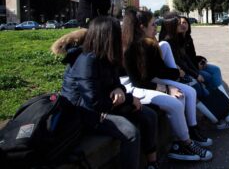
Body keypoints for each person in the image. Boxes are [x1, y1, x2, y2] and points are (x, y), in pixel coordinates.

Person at [59, 16, 160, 169]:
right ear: (107, 35)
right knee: (130, 132)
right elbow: (93, 102)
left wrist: (120, 90)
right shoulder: (86, 60)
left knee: (149, 115)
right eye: (117, 32)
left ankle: (152, 163)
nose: (121, 36)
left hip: (106, 104)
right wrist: (128, 99)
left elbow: (118, 85)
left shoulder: (108, 55)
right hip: (83, 112)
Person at [121, 10, 212, 161]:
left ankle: (186, 137)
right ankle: (186, 143)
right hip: (133, 88)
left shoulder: (149, 43)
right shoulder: (130, 48)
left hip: (148, 82)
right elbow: (138, 81)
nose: (155, 27)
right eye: (152, 24)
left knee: (187, 92)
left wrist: (176, 76)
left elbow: (156, 71)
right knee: (176, 102)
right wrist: (166, 88)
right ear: (142, 27)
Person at [159, 13, 229, 128]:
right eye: (178, 23)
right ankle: (220, 119)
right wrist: (196, 75)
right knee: (201, 88)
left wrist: (196, 71)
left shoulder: (176, 39)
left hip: (186, 73)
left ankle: (226, 113)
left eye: (183, 22)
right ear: (171, 25)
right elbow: (180, 64)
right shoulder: (168, 42)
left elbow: (186, 59)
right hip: (178, 77)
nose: (181, 24)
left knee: (208, 80)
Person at [179, 16, 229, 112]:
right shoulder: (177, 41)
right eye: (180, 23)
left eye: (185, 22)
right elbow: (183, 61)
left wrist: (201, 60)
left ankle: (226, 101)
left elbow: (192, 55)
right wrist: (197, 67)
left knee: (216, 69)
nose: (183, 25)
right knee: (208, 76)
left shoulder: (188, 38)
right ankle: (219, 104)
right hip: (190, 70)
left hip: (195, 66)